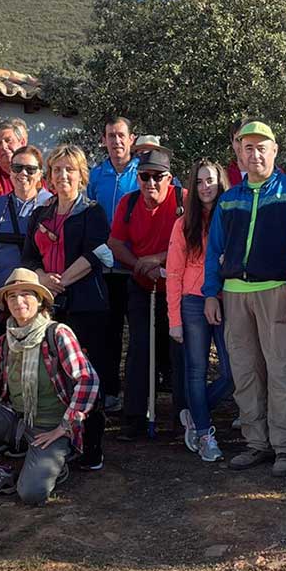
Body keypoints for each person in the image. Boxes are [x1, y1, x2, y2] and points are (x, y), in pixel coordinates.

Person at [203, 121, 286, 475]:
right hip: (235, 294)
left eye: (261, 148)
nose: (255, 155)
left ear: (274, 150)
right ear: (239, 153)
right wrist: (211, 293)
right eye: (248, 148)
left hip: (276, 292)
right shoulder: (229, 199)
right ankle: (256, 443)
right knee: (245, 372)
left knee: (282, 369)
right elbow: (214, 251)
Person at [0, 268, 99, 506]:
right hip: (17, 421)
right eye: (12, 296)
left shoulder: (57, 334)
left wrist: (65, 426)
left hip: (51, 427)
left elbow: (87, 379)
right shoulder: (6, 341)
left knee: (31, 494)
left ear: (40, 300)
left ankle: (59, 460)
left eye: (26, 294)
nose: (19, 301)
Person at [22, 145, 115, 470]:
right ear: (49, 176)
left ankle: (91, 444)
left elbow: (97, 254)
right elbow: (28, 257)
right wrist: (43, 278)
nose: (63, 176)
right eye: (57, 169)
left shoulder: (93, 211)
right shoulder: (40, 214)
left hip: (87, 305)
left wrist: (62, 280)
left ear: (81, 175)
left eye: (70, 170)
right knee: (55, 375)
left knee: (88, 373)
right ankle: (59, 441)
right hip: (49, 306)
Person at [108, 147, 186, 440]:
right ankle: (135, 418)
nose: (150, 183)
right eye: (144, 176)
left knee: (180, 351)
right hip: (143, 285)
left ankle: (183, 417)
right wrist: (141, 266)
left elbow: (194, 238)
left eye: (157, 177)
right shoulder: (128, 204)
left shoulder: (184, 200)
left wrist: (158, 258)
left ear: (170, 179)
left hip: (179, 288)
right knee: (140, 348)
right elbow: (115, 243)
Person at [167, 160, 233, 463]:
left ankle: (195, 411)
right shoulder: (183, 224)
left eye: (211, 180)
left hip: (227, 299)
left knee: (233, 372)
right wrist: (174, 321)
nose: (206, 187)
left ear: (221, 183)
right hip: (192, 302)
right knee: (196, 370)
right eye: (200, 182)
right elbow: (174, 273)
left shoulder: (231, 216)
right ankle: (205, 433)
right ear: (192, 187)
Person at [87, 116, 139, 414]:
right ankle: (109, 390)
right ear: (104, 140)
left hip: (133, 267)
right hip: (103, 268)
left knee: (138, 334)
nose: (116, 141)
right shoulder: (96, 176)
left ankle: (139, 394)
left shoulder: (142, 173)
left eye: (121, 135)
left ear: (131, 139)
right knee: (108, 333)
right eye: (110, 136)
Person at [0, 145, 51, 352]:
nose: (23, 174)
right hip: (0, 295)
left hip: (37, 296)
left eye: (30, 169)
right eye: (17, 168)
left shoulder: (52, 206)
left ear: (40, 173)